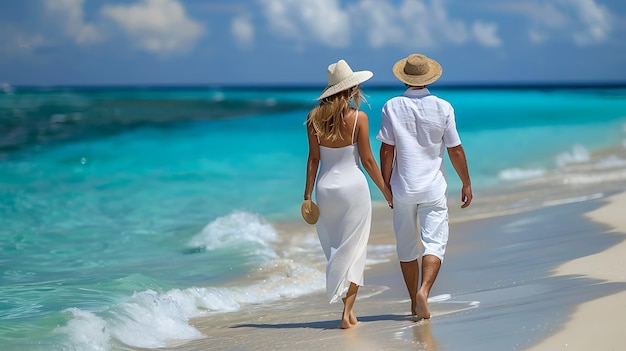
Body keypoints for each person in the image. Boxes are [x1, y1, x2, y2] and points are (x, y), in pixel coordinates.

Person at [377, 54, 473, 321]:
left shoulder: (392, 106)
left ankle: (412, 302)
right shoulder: (444, 107)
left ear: (404, 77)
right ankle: (424, 292)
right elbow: (455, 149)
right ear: (429, 77)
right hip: (432, 188)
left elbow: (387, 150)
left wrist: (386, 184)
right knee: (434, 243)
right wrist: (466, 181)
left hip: (403, 187)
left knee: (406, 246)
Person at [303, 59, 393, 329]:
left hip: (326, 190)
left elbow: (313, 160)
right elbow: (367, 160)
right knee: (354, 250)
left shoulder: (313, 119)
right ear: (351, 89)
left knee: (336, 247)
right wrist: (386, 191)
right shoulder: (359, 119)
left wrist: (307, 195)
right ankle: (347, 312)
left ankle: (348, 310)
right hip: (354, 189)